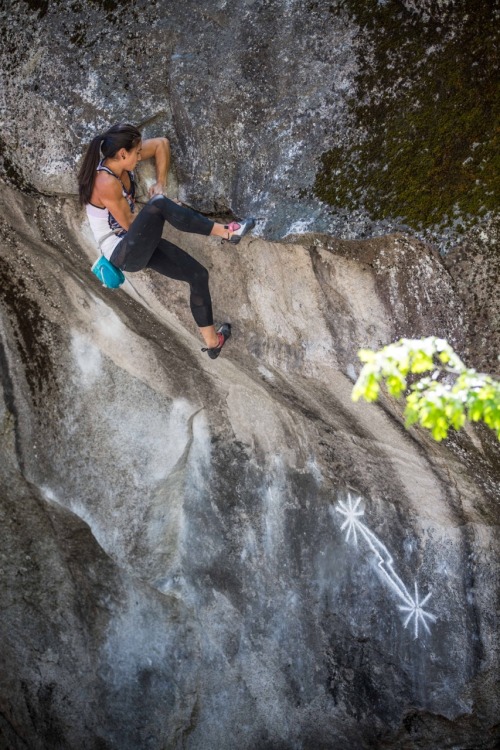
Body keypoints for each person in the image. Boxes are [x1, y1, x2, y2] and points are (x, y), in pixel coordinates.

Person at [78, 123, 255, 359]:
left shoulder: (122, 162)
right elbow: (131, 226)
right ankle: (227, 232)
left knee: (198, 275)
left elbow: (162, 144)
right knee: (160, 205)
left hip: (136, 243)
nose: (140, 156)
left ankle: (213, 343)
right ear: (122, 154)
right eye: (137, 153)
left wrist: (160, 182)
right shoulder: (105, 182)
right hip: (123, 251)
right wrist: (163, 203)